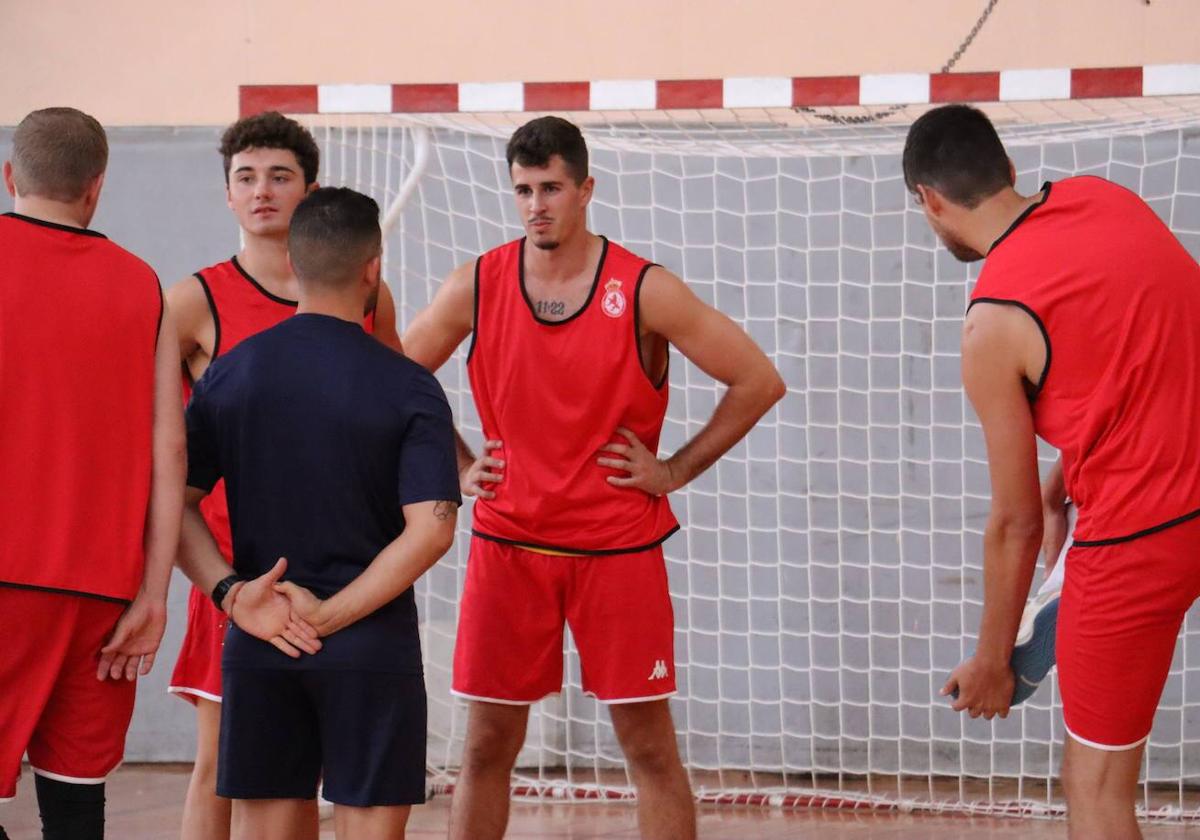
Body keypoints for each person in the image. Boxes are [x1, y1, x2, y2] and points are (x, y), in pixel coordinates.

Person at [401, 115, 787, 840]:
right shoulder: (478, 283)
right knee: (486, 746)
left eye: (551, 187)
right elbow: (393, 380)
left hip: (617, 550)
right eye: (523, 189)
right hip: (509, 545)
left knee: (646, 748)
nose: (537, 203)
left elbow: (758, 381)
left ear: (585, 190)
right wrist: (457, 462)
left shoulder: (644, 288)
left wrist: (673, 469)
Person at [904, 103, 1200, 839]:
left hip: (1144, 538)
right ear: (1008, 168)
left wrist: (993, 660)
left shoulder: (992, 320)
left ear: (929, 202)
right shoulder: (1106, 198)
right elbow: (1151, 350)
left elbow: (1014, 524)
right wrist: (1070, 473)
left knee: (1095, 788)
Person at [178, 187, 461, 840]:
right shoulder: (408, 384)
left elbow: (176, 506)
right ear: (372, 269)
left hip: (262, 637)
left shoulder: (232, 373)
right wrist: (331, 615)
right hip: (371, 645)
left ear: (296, 265)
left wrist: (231, 594)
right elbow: (433, 527)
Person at [165, 111, 401, 840]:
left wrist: (459, 467)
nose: (261, 190)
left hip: (345, 570)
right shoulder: (193, 301)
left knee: (321, 770)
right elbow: (155, 440)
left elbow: (396, 403)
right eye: (245, 177)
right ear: (227, 195)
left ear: (311, 190)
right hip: (240, 576)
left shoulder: (368, 298)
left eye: (279, 175)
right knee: (223, 762)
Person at [0, 107, 186, 840]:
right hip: (103, 594)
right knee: (77, 810)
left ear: (11, 175)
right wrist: (154, 594)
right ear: (96, 188)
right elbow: (170, 452)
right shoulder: (143, 285)